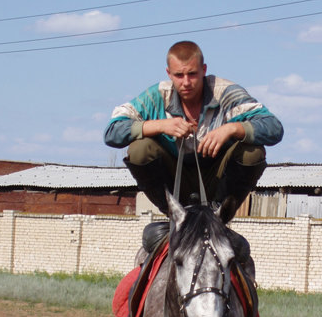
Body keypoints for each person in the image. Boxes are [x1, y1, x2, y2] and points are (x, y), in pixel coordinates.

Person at [104, 40, 283, 216]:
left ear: (204, 70)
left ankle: (218, 215)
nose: (186, 82)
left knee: (252, 151)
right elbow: (112, 132)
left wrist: (232, 129)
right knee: (139, 149)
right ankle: (174, 214)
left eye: (192, 74)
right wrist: (160, 126)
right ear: (169, 73)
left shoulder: (227, 94)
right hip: (176, 180)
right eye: (179, 76)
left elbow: (274, 127)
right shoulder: (156, 97)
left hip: (218, 178)